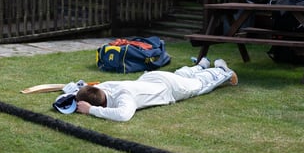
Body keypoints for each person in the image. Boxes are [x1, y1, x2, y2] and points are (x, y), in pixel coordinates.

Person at [74, 58, 237, 122]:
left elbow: (123, 116)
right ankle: (201, 65)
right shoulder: (104, 86)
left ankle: (222, 70)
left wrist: (91, 110)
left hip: (171, 88)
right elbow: (84, 88)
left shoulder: (125, 98)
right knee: (180, 74)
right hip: (153, 78)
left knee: (199, 85)